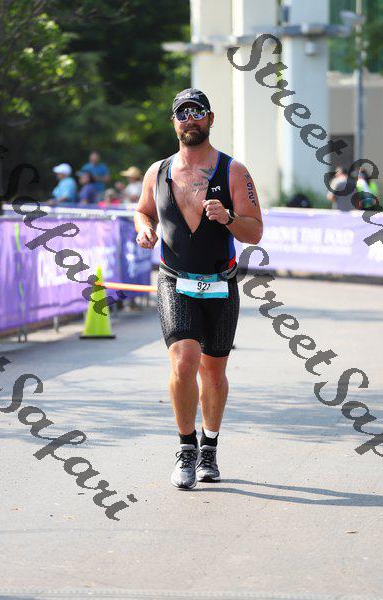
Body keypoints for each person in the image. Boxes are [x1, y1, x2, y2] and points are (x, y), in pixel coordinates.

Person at [134, 88, 263, 490]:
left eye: (197, 112)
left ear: (210, 119)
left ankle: (209, 446)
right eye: (182, 114)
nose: (190, 120)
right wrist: (144, 229)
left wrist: (227, 218)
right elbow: (142, 211)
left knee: (213, 371)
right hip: (175, 279)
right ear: (173, 123)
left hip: (220, 282)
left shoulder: (233, 171)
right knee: (184, 360)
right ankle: (186, 448)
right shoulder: (158, 172)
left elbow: (254, 232)